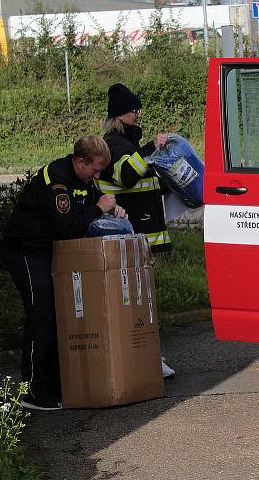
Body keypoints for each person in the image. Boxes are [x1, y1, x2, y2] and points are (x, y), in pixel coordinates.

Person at [1, 135, 124, 411]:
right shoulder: (56, 179)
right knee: (41, 315)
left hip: (49, 250)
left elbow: (94, 202)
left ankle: (57, 384)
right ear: (79, 162)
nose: (98, 175)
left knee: (59, 315)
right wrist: (98, 208)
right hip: (26, 250)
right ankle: (32, 391)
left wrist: (113, 209)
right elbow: (69, 226)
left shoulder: (83, 179)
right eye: (94, 169)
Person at [99, 83, 175, 378]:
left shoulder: (126, 144)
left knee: (143, 302)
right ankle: (147, 359)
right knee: (139, 304)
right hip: (133, 236)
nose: (139, 114)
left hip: (141, 235)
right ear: (121, 115)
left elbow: (147, 182)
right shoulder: (116, 145)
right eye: (134, 110)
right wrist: (150, 148)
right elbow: (128, 176)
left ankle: (148, 356)